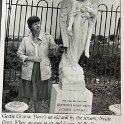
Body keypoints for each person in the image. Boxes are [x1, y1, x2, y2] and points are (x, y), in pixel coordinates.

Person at [17, 16, 64, 113]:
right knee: (26, 94)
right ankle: (24, 116)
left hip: (42, 70)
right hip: (29, 70)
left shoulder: (47, 37)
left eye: (39, 23)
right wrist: (31, 58)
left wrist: (59, 49)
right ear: (30, 27)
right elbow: (19, 54)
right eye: (35, 24)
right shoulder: (25, 40)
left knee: (39, 95)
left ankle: (37, 115)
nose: (38, 25)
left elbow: (54, 50)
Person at [59, 0, 98, 90]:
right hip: (76, 23)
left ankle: (76, 62)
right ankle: (72, 63)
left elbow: (93, 15)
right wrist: (69, 26)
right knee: (75, 43)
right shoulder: (75, 3)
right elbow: (72, 15)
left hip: (85, 25)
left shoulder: (88, 3)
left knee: (82, 44)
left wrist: (90, 10)